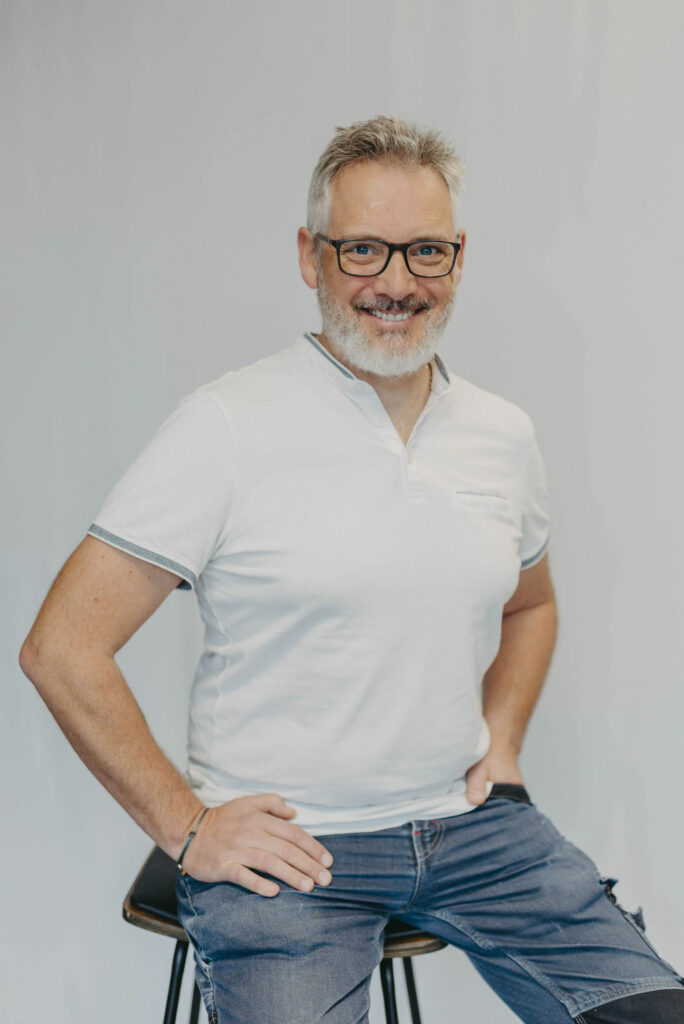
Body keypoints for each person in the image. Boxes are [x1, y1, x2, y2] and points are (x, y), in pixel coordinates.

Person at [20, 116, 683, 1024]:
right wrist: (189, 826)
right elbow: (62, 647)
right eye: (363, 249)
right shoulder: (226, 425)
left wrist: (502, 742)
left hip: (475, 833)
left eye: (426, 252)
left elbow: (531, 605)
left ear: (458, 258)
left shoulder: (501, 435)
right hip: (294, 850)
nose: (397, 284)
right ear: (311, 256)